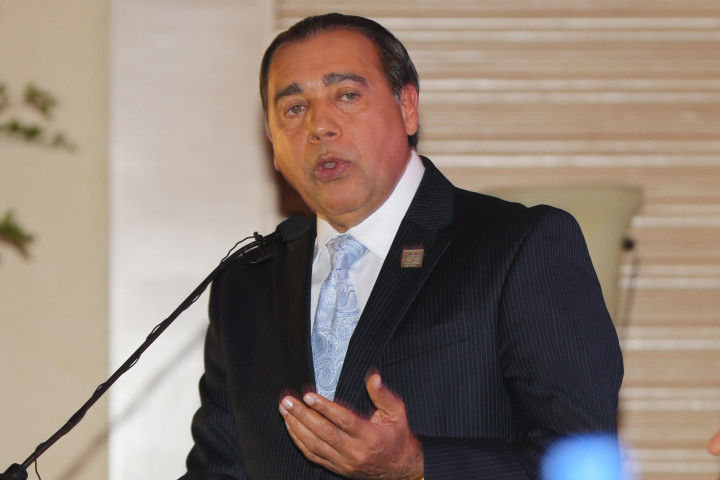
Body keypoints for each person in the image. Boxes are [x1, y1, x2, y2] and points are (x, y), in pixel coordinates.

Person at [180, 13, 623, 480]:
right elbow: (220, 470)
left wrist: (417, 464)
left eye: (347, 95)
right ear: (272, 140)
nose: (319, 126)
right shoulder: (245, 284)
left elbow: (583, 462)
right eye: (293, 108)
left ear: (407, 107)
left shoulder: (518, 246)